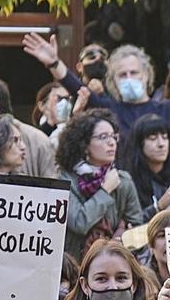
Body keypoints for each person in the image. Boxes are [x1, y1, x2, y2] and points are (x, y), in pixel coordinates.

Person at [23, 26, 170, 173]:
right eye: (122, 74)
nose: (129, 78)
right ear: (113, 81)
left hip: (165, 197)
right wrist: (54, 64)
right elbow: (76, 87)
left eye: (134, 73)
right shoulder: (107, 109)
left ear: (146, 75)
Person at [56, 109, 147, 255]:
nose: (111, 143)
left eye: (113, 137)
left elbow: (139, 233)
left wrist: (121, 241)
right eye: (103, 137)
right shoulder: (66, 179)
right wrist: (105, 191)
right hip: (74, 266)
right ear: (84, 145)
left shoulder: (123, 180)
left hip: (114, 263)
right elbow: (79, 223)